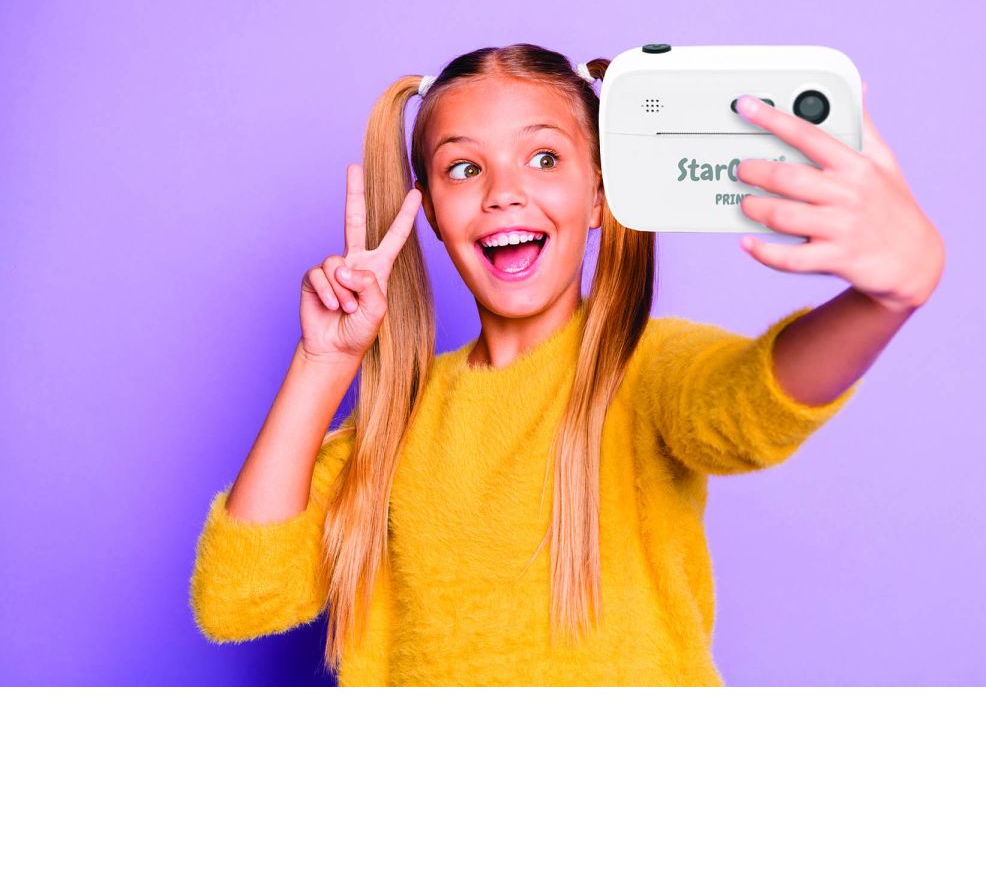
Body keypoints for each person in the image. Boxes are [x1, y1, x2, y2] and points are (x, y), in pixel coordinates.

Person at [188, 43, 941, 686]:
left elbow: (749, 407)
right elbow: (239, 596)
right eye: (463, 169)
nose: (504, 194)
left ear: (600, 197)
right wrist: (323, 360)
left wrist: (883, 302)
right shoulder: (395, 422)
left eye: (544, 158)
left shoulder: (645, 368)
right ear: (432, 214)